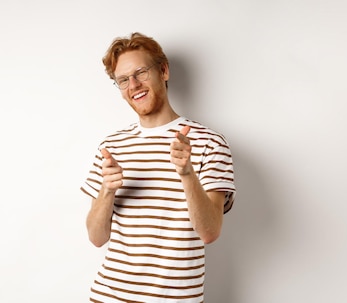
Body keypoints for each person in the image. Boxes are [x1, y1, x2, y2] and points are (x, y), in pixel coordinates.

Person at [81, 32, 236, 303]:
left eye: (141, 72)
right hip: (107, 297)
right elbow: (96, 237)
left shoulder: (209, 142)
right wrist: (107, 190)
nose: (134, 85)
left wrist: (187, 174)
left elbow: (210, 232)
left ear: (163, 70)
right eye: (123, 80)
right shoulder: (112, 146)